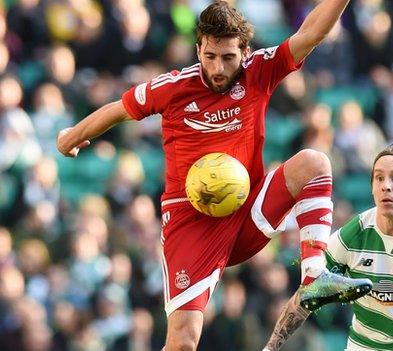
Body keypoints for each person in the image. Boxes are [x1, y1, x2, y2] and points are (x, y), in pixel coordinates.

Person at [56, 1, 372, 350]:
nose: (218, 68)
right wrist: (72, 136)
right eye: (209, 56)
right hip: (192, 224)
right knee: (183, 343)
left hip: (245, 212)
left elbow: (312, 32)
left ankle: (314, 275)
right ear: (198, 49)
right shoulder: (174, 86)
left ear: (244, 52)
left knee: (314, 163)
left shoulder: (260, 70)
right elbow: (120, 109)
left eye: (228, 57)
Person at [264, 142, 393, 351]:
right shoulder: (352, 236)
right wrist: (270, 348)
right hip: (362, 345)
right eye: (379, 178)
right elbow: (308, 292)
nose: (386, 186)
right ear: (372, 188)